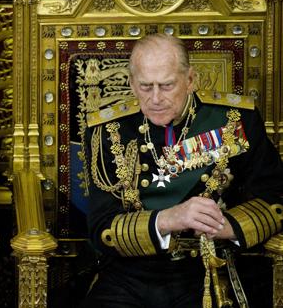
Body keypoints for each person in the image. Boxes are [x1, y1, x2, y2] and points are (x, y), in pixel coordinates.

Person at [79, 34, 283, 307]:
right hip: (128, 273)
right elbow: (101, 228)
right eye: (145, 86)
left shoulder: (234, 121)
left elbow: (276, 199)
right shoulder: (107, 131)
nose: (155, 98)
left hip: (207, 267)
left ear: (190, 80)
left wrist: (227, 226)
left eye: (166, 86)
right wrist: (167, 219)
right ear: (131, 84)